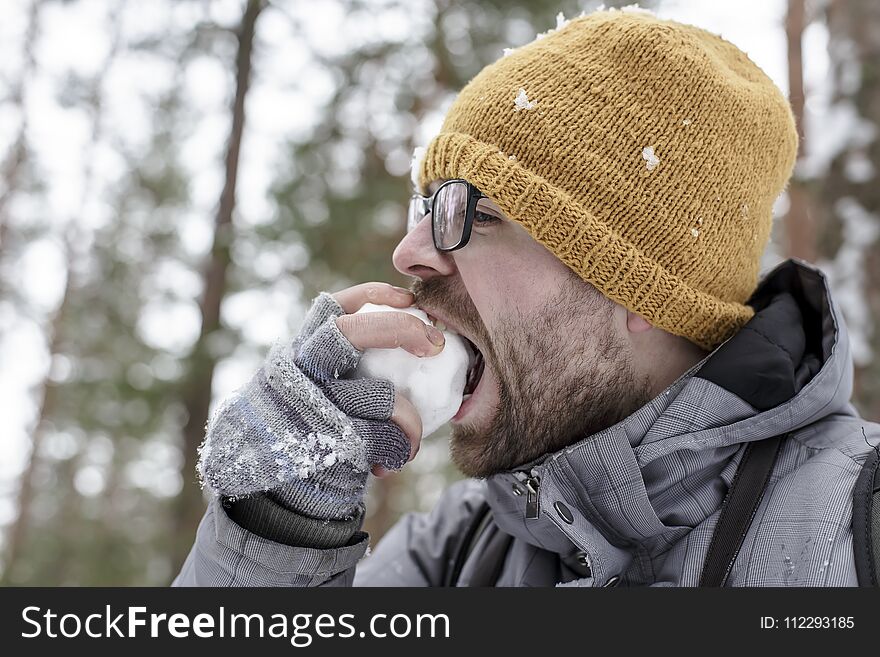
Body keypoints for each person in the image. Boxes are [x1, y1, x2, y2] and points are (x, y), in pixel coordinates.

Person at [174, 9, 880, 587]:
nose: (409, 251)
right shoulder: (454, 550)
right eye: (425, 206)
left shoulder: (859, 531)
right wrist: (275, 531)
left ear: (632, 280)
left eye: (466, 210)